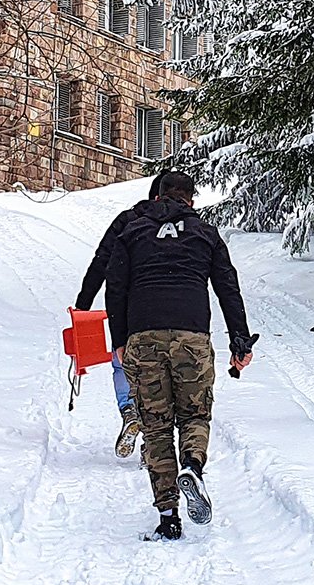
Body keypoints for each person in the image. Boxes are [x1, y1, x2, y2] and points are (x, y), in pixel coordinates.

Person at [107, 171, 259, 542]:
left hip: (143, 337)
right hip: (192, 337)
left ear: (157, 196)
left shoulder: (133, 232)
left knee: (155, 425)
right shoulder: (204, 233)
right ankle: (191, 464)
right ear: (191, 200)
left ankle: (168, 516)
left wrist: (120, 339)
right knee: (194, 414)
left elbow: (116, 287)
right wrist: (240, 342)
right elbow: (228, 288)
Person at [77, 172, 168, 459]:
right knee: (161, 373)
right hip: (167, 307)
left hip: (127, 306)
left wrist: (84, 303)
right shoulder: (182, 226)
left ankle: (129, 409)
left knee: (122, 362)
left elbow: (101, 260)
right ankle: (153, 441)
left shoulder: (127, 221)